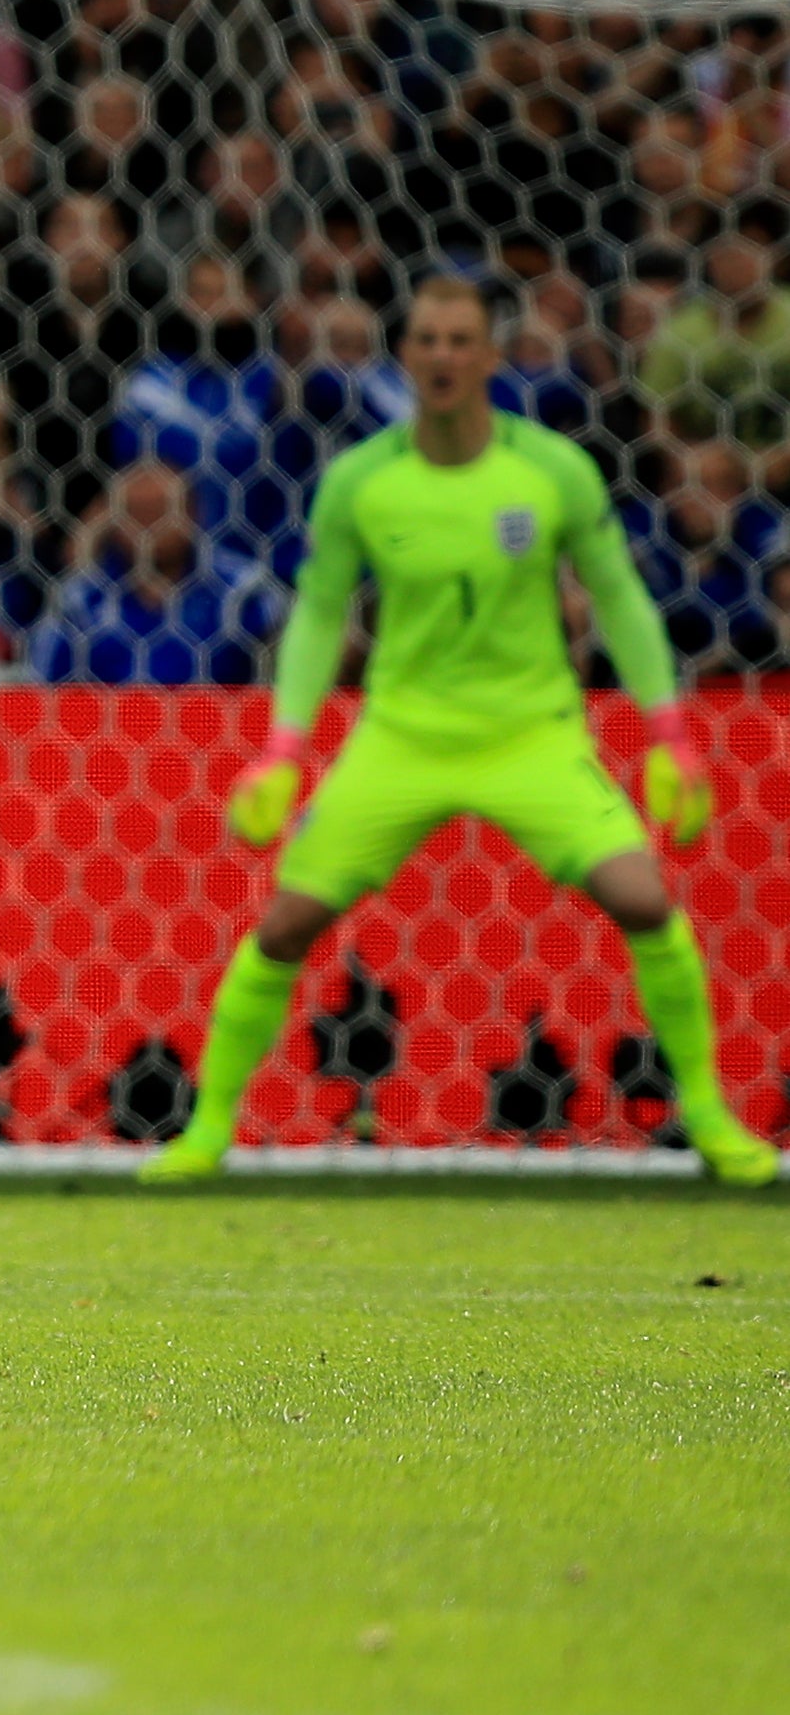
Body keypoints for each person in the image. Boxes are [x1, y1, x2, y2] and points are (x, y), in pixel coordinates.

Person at [143, 276, 770, 1188]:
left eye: (458, 340)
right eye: (426, 339)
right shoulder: (362, 482)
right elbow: (319, 614)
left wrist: (669, 731)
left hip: (533, 734)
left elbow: (620, 595)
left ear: (488, 355)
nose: (441, 356)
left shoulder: (551, 471)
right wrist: (285, 743)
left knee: (644, 900)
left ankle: (711, 1119)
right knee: (285, 923)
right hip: (401, 735)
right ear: (408, 353)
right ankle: (206, 1132)